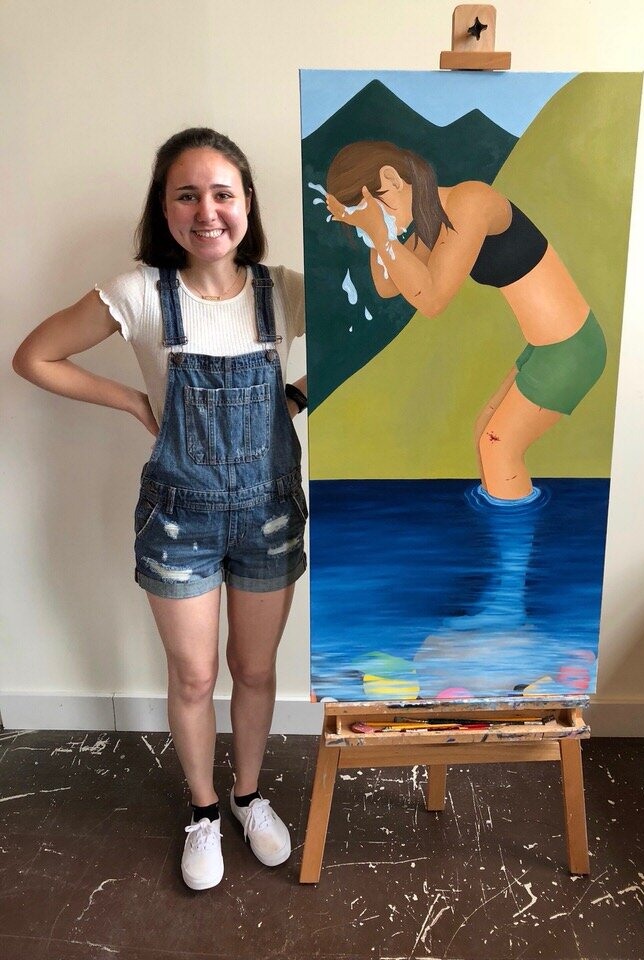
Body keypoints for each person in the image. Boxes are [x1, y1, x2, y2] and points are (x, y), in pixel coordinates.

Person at [12, 128, 308, 890]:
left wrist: (297, 397)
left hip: (270, 514)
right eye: (187, 195)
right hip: (179, 520)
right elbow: (33, 355)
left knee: (254, 668)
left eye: (222, 193)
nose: (207, 211)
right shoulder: (141, 293)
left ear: (247, 203)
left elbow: (376, 331)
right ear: (165, 208)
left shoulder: (284, 289)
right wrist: (132, 401)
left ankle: (248, 796)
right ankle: (204, 810)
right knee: (193, 675)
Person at [324, 141, 606, 501]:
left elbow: (432, 300)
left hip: (572, 348)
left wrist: (380, 232)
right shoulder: (434, 225)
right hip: (544, 348)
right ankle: (500, 523)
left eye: (378, 209)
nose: (385, 221)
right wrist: (374, 233)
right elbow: (388, 286)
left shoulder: (470, 201)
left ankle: (515, 535)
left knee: (499, 448)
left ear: (392, 178)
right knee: (484, 434)